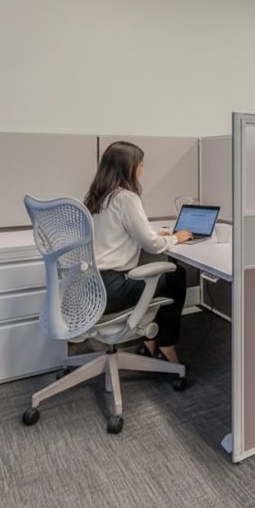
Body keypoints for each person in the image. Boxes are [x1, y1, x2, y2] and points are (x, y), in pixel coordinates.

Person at [84, 141, 192, 364]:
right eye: (140, 165)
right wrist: (175, 237)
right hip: (112, 288)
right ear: (128, 167)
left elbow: (118, 233)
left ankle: (149, 344)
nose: (142, 170)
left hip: (91, 286)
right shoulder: (126, 197)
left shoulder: (98, 196)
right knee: (175, 276)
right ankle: (167, 345)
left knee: (161, 278)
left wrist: (154, 233)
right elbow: (152, 246)